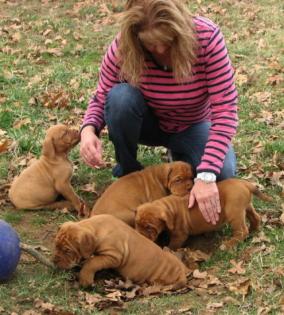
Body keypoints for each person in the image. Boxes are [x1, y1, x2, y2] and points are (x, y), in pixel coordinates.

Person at [80, 0, 238, 226]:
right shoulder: (123, 47)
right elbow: (103, 94)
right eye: (150, 45)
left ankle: (181, 159)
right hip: (148, 123)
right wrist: (88, 129)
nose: (161, 50)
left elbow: (225, 111)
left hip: (193, 124)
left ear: (180, 30)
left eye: (168, 42)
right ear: (135, 37)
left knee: (223, 171)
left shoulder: (207, 38)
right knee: (120, 98)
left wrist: (206, 175)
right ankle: (128, 170)